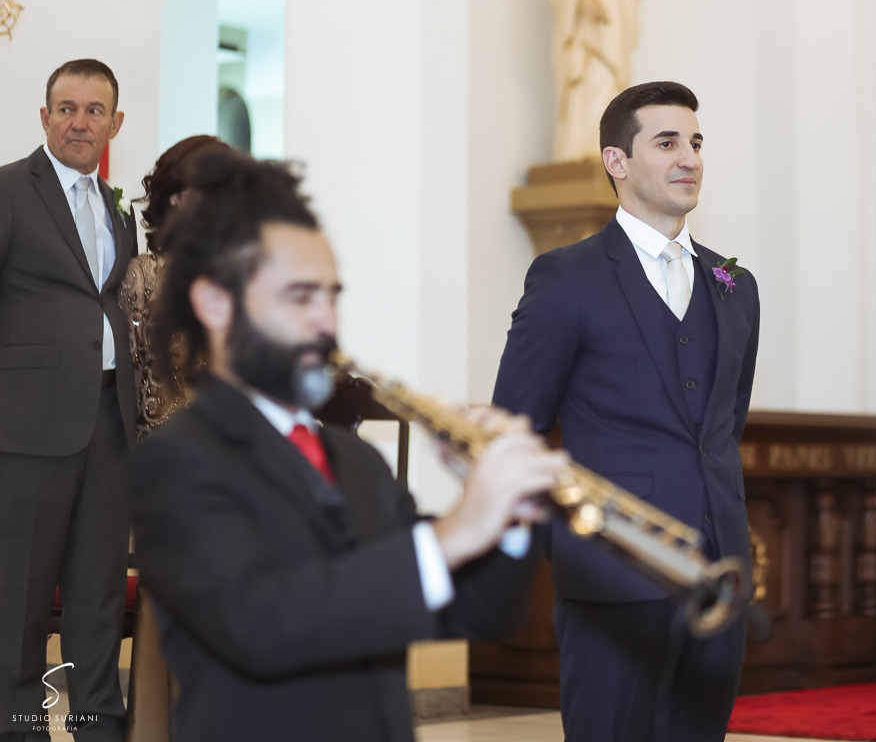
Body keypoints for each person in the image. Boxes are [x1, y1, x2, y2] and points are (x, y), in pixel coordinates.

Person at [128, 150, 563, 742]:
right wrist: (457, 531)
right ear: (215, 303)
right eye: (300, 297)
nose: (326, 322)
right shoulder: (177, 461)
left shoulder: (355, 460)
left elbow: (479, 612)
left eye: (331, 296)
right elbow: (263, 624)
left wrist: (509, 517)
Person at [492, 81, 761, 741]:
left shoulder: (735, 282)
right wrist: (572, 541)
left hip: (717, 579)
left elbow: (727, 422)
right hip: (610, 577)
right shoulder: (566, 277)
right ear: (617, 161)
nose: (689, 158)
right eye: (667, 142)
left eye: (695, 143)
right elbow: (512, 428)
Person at [0, 59, 137, 742]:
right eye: (66, 107)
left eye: (93, 110)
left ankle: (100, 729)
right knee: (18, 598)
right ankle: (19, 728)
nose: (78, 121)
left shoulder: (119, 207)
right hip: (26, 429)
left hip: (111, 423)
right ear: (45, 116)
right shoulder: (7, 190)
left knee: (98, 595)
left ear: (115, 123)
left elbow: (108, 300)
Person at [119, 135, 229, 439]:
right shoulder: (143, 275)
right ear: (175, 196)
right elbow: (131, 381)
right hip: (164, 451)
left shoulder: (246, 276)